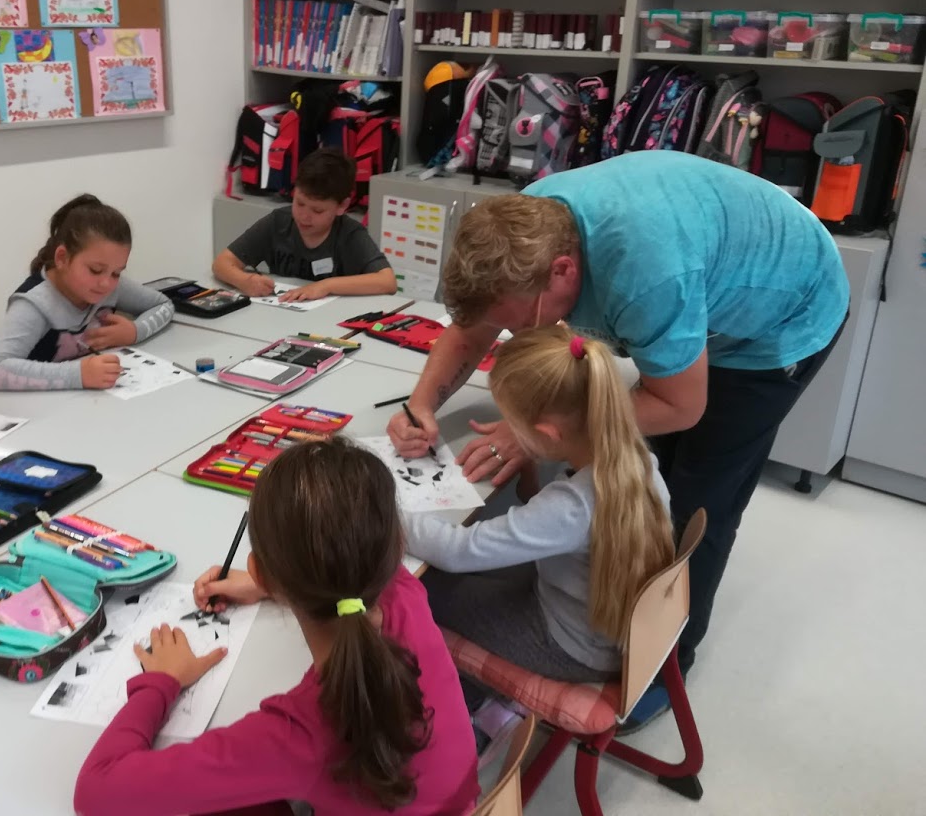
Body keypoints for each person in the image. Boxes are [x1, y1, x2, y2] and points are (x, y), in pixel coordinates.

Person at [387, 151, 848, 728]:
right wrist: (421, 403)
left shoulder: (647, 274)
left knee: (703, 497)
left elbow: (681, 405)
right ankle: (620, 616)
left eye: (521, 322)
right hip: (708, 266)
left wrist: (531, 440)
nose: (518, 334)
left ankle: (659, 667)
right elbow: (474, 325)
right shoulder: (522, 231)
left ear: (563, 271)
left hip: (786, 313)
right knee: (652, 480)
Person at [74, 438, 479, 816]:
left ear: (259, 571)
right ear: (396, 545)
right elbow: (348, 561)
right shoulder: (403, 591)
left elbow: (96, 792)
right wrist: (268, 586)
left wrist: (160, 683)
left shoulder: (296, 734)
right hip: (467, 798)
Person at [408, 326, 674, 691]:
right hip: (603, 623)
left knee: (416, 588)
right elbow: (546, 520)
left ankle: (463, 697)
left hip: (568, 647)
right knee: (465, 571)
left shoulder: (572, 506)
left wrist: (385, 510)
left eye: (511, 425)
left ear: (547, 433)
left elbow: (457, 551)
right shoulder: (636, 459)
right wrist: (531, 469)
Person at [0, 195, 174, 391]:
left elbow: (164, 305)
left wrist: (134, 331)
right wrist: (78, 375)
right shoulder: (35, 304)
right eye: (95, 270)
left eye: (117, 273)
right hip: (41, 406)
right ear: (62, 258)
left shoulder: (111, 287)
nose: (106, 283)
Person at [212, 148, 397, 302]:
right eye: (299, 203)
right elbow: (222, 263)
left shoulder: (350, 234)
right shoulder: (278, 222)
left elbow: (387, 281)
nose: (304, 216)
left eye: (317, 211)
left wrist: (326, 286)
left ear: (342, 206)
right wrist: (244, 280)